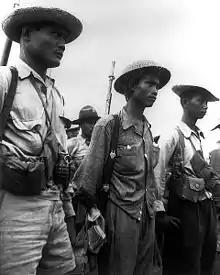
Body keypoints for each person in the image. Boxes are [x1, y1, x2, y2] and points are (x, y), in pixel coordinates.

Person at [73, 60, 176, 275]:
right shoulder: (109, 125)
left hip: (146, 218)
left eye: (157, 86)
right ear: (131, 86)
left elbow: (150, 181)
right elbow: (86, 181)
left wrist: (157, 211)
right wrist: (93, 220)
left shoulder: (147, 129)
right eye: (149, 84)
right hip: (119, 216)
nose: (155, 91)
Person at [0, 5, 82, 275]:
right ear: (25, 35)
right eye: (56, 35)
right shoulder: (5, 81)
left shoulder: (55, 95)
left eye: (64, 39)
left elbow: (61, 159)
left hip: (54, 203)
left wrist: (67, 210)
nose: (62, 45)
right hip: (15, 208)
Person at [154, 85, 220, 275]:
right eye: (200, 101)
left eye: (207, 102)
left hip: (205, 206)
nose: (205, 106)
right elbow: (157, 172)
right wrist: (159, 212)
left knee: (207, 259)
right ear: (184, 102)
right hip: (185, 207)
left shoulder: (198, 137)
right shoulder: (173, 134)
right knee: (185, 263)